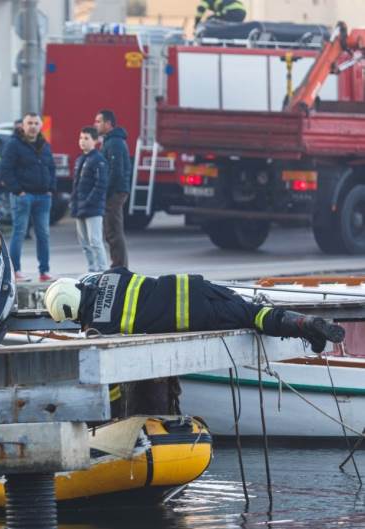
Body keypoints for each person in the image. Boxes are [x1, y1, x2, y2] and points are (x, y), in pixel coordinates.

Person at [44, 270, 346, 416]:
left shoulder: (99, 327)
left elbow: (108, 379)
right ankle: (306, 326)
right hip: (195, 285)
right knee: (255, 313)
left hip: (196, 315)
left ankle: (307, 328)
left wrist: (110, 415)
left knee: (254, 317)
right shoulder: (111, 276)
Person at [0, 112, 55, 282]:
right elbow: (5, 170)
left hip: (43, 197)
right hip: (23, 197)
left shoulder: (44, 144)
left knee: (43, 234)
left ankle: (44, 272)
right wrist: (18, 191)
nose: (33, 126)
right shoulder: (13, 144)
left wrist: (51, 188)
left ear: (40, 126)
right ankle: (15, 271)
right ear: (22, 126)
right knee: (19, 232)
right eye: (29, 123)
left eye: (36, 123)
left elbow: (51, 167)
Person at [94, 110, 131, 270]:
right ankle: (118, 264)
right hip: (113, 191)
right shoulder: (110, 141)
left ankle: (120, 266)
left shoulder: (114, 142)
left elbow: (115, 171)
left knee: (113, 230)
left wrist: (105, 192)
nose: (96, 124)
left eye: (98, 121)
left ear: (108, 123)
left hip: (115, 192)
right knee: (111, 230)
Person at [72, 127, 109, 273]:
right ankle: (91, 269)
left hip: (93, 208)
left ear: (95, 141)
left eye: (86, 138)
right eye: (81, 138)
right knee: (84, 242)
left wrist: (88, 201)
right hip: (79, 206)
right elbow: (76, 185)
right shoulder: (80, 159)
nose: (82, 141)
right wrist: (74, 203)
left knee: (95, 241)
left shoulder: (99, 160)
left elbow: (100, 185)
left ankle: (103, 269)